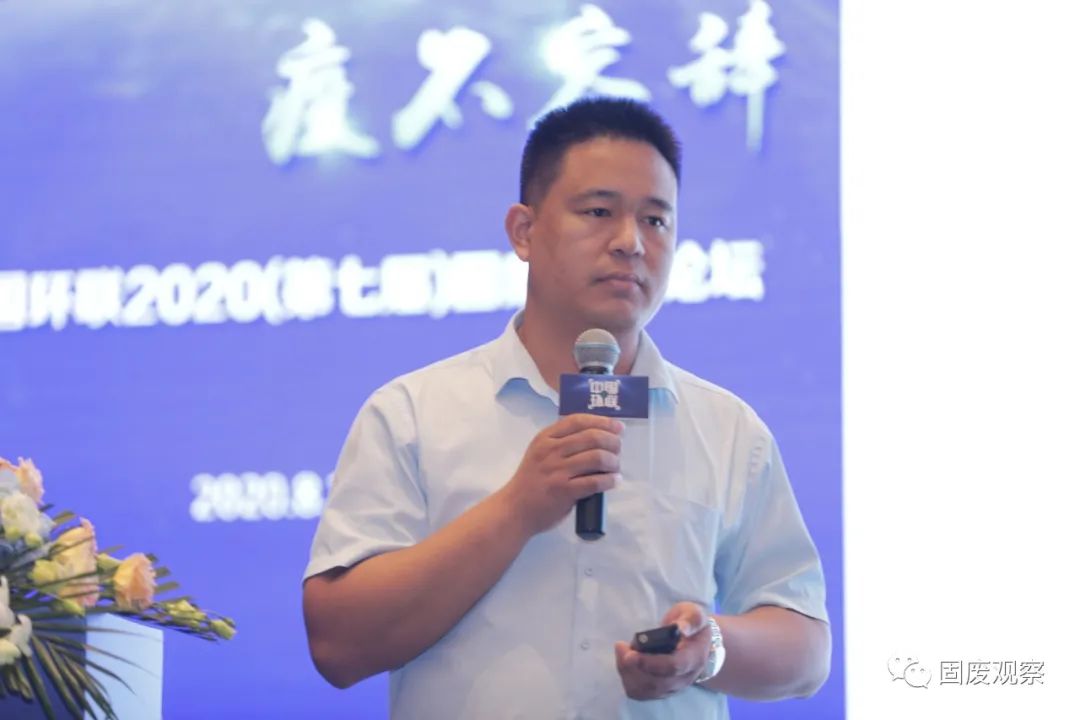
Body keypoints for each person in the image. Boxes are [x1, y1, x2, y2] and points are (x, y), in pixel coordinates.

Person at [302, 98, 830, 719]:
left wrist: (709, 649)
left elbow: (806, 650)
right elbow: (338, 645)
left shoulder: (728, 429)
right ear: (523, 231)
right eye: (599, 212)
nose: (631, 243)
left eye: (656, 220)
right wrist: (518, 508)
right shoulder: (412, 414)